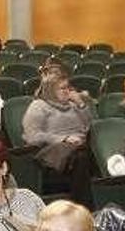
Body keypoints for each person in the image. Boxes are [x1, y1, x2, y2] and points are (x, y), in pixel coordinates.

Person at [21, 75, 93, 205]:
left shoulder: (73, 105)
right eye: (62, 88)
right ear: (50, 90)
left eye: (68, 88)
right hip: (53, 155)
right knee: (82, 156)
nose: (67, 91)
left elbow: (90, 126)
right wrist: (63, 138)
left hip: (80, 148)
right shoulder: (39, 106)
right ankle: (85, 210)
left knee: (95, 154)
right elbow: (32, 136)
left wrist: (81, 104)